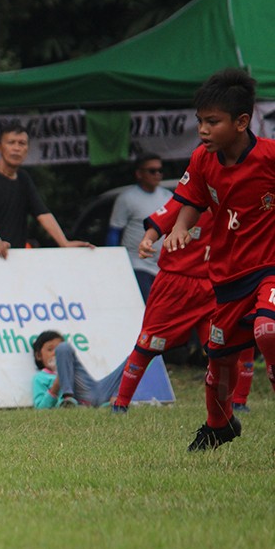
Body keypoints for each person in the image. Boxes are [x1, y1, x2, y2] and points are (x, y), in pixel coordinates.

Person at [164, 68, 275, 451]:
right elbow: (192, 199)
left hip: (269, 269)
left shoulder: (269, 157)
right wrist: (180, 228)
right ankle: (219, 424)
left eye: (213, 122)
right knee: (218, 363)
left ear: (242, 122)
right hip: (228, 278)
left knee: (269, 331)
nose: (203, 130)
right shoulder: (202, 159)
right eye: (200, 121)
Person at [112, 198, 256, 413]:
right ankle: (120, 404)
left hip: (213, 287)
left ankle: (237, 403)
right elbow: (159, 223)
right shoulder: (188, 200)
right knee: (148, 343)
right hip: (175, 285)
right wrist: (147, 240)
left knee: (232, 344)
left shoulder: (236, 204)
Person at [0, 119, 92, 259]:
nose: (17, 148)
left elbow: (42, 213)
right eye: (11, 142)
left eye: (22, 143)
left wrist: (64, 242)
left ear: (27, 149)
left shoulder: (23, 178)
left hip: (16, 257)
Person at [107, 154, 173, 301]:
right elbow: (114, 231)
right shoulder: (127, 198)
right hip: (137, 264)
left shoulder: (168, 197)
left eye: (160, 170)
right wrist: (114, 262)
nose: (157, 174)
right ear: (139, 174)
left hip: (163, 266)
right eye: (152, 171)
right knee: (147, 305)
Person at [31, 331, 122, 409]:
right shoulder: (40, 378)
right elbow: (41, 408)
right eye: (50, 349)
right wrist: (56, 385)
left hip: (93, 393)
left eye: (60, 352)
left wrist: (114, 395)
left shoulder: (74, 370)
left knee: (129, 363)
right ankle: (68, 400)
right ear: (38, 355)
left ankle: (114, 402)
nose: (56, 353)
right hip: (79, 403)